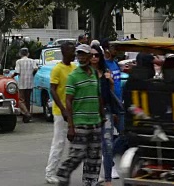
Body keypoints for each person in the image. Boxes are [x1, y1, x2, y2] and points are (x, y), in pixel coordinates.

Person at [56, 43, 104, 186]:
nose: (81, 57)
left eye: (84, 54)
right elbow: (68, 101)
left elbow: (98, 95)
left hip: (95, 121)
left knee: (94, 157)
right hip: (80, 122)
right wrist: (71, 125)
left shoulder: (95, 73)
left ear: (90, 56)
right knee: (77, 155)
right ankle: (63, 172)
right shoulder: (73, 76)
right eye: (79, 54)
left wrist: (102, 115)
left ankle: (90, 182)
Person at [45, 42, 77, 184]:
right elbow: (53, 90)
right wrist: (63, 110)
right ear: (64, 52)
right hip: (60, 112)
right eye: (71, 51)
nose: (74, 53)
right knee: (59, 143)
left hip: (74, 111)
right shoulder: (57, 69)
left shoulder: (74, 68)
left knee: (79, 144)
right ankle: (50, 172)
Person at [100, 41, 124, 183]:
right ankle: (110, 162)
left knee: (124, 134)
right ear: (106, 49)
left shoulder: (115, 64)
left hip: (119, 104)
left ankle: (109, 156)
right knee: (108, 138)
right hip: (109, 106)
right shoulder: (104, 66)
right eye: (114, 48)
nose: (116, 50)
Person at [13, 48, 38, 123]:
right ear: (28, 54)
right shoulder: (32, 61)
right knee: (28, 100)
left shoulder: (19, 61)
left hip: (22, 83)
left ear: (20, 54)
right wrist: (32, 74)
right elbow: (36, 68)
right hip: (30, 83)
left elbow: (17, 72)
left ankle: (26, 113)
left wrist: (11, 76)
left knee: (20, 100)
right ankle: (27, 117)